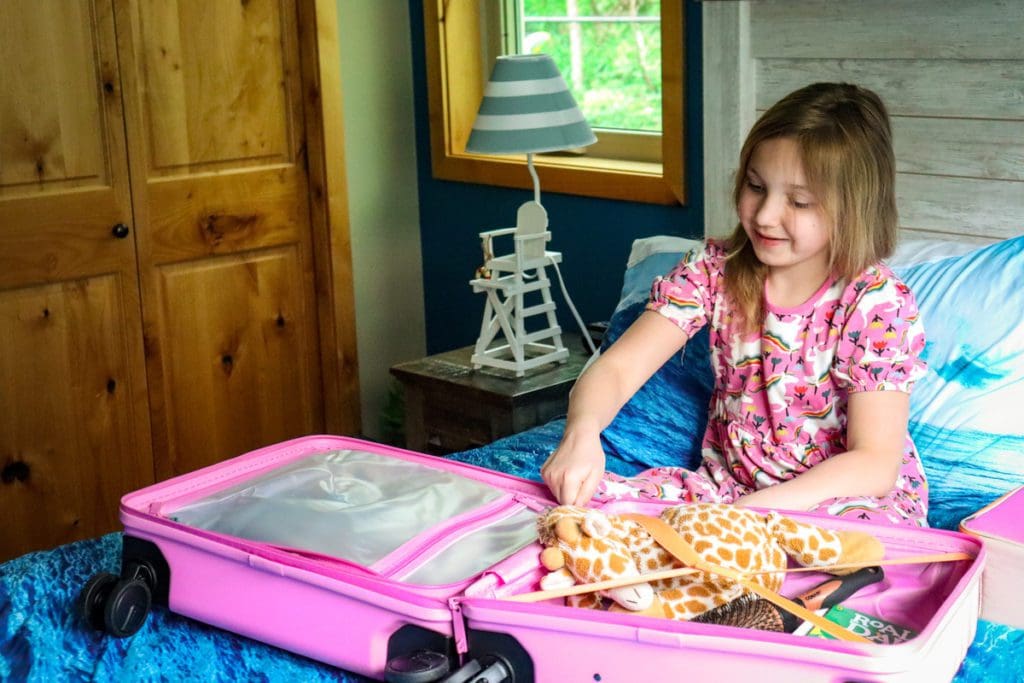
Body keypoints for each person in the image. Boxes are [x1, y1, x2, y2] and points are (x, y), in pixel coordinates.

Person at [542, 82, 929, 527]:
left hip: (842, 499)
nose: (765, 216)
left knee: (852, 552)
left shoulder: (875, 304)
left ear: (854, 208)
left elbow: (874, 463)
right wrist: (582, 432)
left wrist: (757, 513)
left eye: (799, 201)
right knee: (599, 511)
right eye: (755, 186)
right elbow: (617, 369)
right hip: (732, 490)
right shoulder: (712, 270)